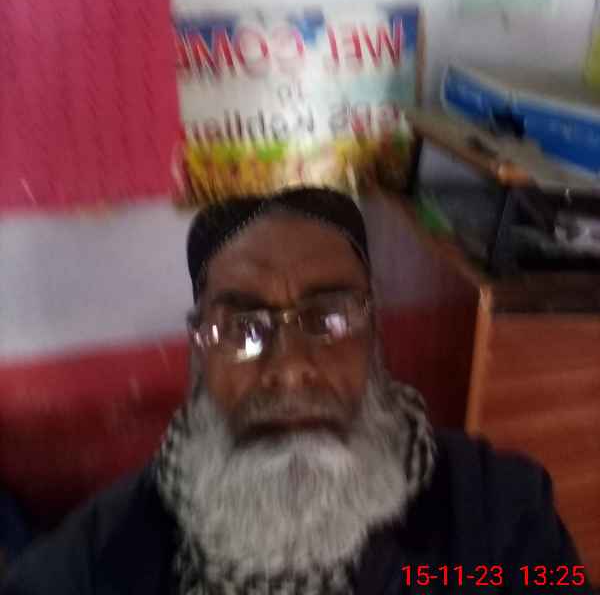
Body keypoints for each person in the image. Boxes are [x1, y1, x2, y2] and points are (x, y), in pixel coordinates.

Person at [2, 187, 591, 594]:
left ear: (374, 340)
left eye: (329, 319)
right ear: (199, 354)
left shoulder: (497, 515)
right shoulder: (98, 564)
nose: (289, 368)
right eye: (242, 328)